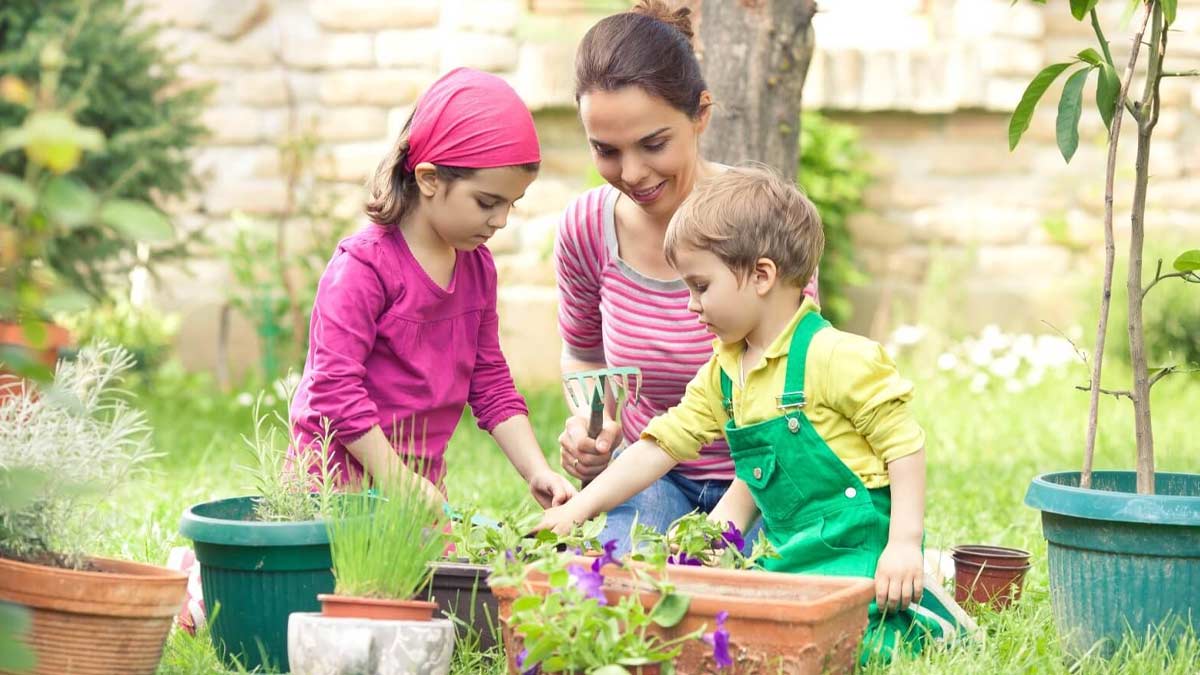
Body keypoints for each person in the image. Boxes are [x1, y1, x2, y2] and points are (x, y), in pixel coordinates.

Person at [541, 165, 961, 663]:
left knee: (852, 650)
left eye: (700, 286)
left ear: (761, 275)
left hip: (858, 550)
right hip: (789, 553)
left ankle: (929, 604)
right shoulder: (724, 371)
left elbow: (904, 445)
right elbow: (660, 447)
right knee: (752, 640)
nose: (691, 305)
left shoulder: (836, 356)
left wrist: (904, 545)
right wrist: (576, 509)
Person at [555, 0, 818, 556]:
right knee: (625, 582)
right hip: (653, 473)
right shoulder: (586, 228)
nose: (631, 173)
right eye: (606, 150)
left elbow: (797, 390)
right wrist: (594, 425)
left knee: (766, 591)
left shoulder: (761, 220)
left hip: (764, 476)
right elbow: (583, 353)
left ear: (701, 114)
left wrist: (722, 531)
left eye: (653, 144)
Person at [289, 67, 576, 509]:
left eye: (511, 205)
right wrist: (396, 479)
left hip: (415, 491)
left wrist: (537, 470)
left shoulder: (476, 267)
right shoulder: (363, 268)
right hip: (333, 489)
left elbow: (490, 380)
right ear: (428, 179)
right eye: (487, 202)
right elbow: (334, 391)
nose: (500, 220)